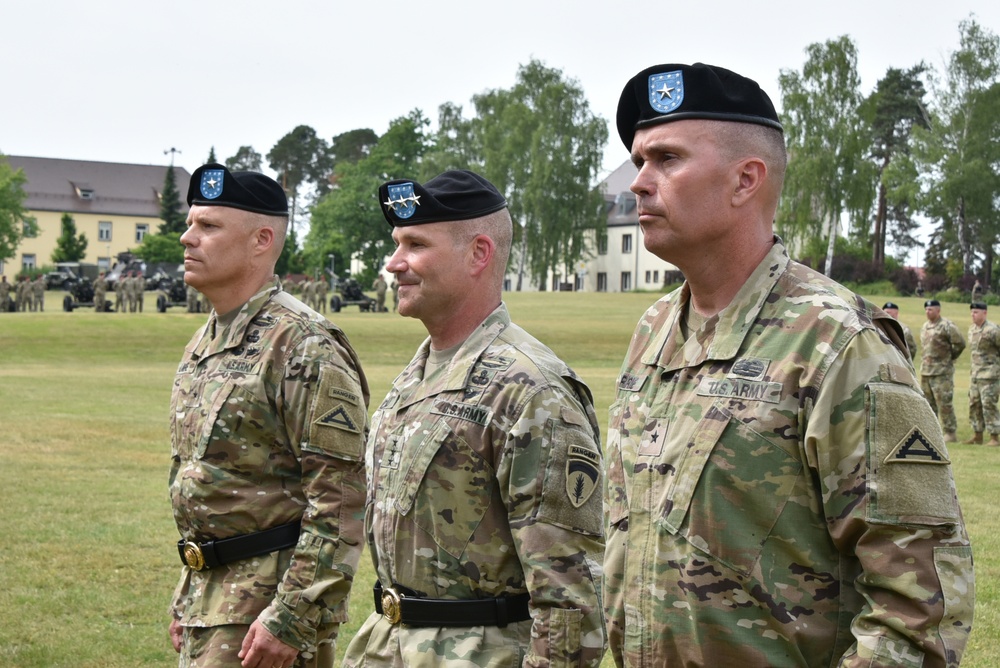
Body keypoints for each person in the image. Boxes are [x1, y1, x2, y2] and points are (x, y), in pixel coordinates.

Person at [605, 63, 974, 668]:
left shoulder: (837, 342)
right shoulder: (654, 331)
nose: (640, 183)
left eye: (666, 159)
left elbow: (919, 602)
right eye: (640, 160)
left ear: (746, 180)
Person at [343, 170, 606, 667]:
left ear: (478, 254)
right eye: (397, 244)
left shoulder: (531, 389)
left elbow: (570, 594)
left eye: (415, 245)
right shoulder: (416, 375)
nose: (393, 263)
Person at [168, 163, 370, 667]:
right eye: (191, 223)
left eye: (208, 227)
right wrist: (188, 588)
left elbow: (341, 499)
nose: (187, 237)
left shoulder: (303, 344)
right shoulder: (207, 339)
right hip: (213, 600)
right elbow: (211, 479)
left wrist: (293, 616)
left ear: (262, 240)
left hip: (266, 609)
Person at [920, 298, 966, 442]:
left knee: (944, 403)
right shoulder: (925, 326)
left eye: (931, 309)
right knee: (928, 404)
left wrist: (949, 358)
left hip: (942, 372)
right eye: (926, 309)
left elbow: (960, 344)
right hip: (926, 371)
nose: (928, 312)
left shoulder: (947, 326)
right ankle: (931, 432)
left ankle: (950, 433)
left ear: (938, 311)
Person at [965, 301, 1000, 445]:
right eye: (972, 312)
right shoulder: (972, 329)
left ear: (984, 313)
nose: (973, 315)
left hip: (990, 375)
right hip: (975, 375)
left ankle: (994, 437)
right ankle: (977, 435)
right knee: (974, 404)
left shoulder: (993, 330)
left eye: (976, 312)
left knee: (988, 404)